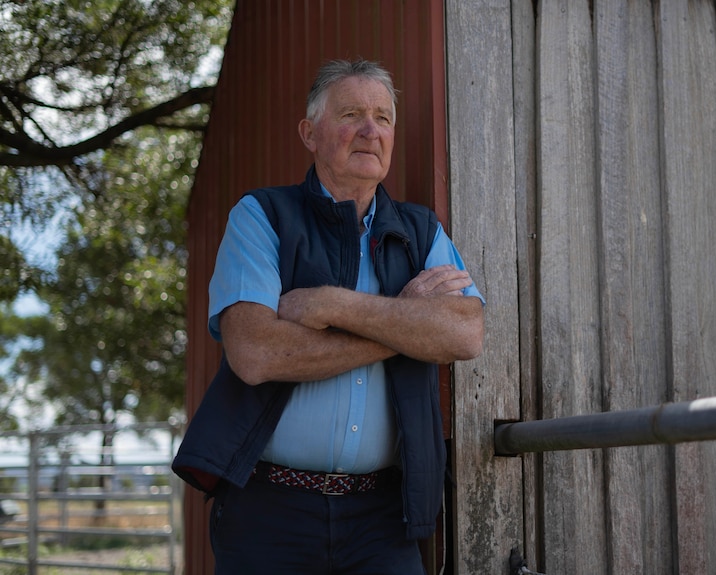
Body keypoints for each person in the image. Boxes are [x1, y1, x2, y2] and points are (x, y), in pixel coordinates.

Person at [172, 58, 485, 574]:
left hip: (383, 519)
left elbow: (466, 333)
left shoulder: (421, 231)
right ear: (310, 133)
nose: (370, 130)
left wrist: (330, 305)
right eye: (352, 114)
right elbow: (254, 353)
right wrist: (405, 324)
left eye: (383, 118)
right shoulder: (262, 216)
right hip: (268, 511)